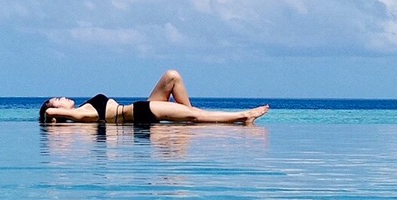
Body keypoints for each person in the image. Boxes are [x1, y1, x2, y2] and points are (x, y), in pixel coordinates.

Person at [39, 70, 269, 126]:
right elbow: (49, 113)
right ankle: (244, 116)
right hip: (142, 112)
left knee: (172, 76)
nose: (61, 98)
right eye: (56, 99)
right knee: (195, 114)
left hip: (141, 108)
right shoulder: (80, 114)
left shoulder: (82, 111)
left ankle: (190, 118)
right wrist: (54, 116)